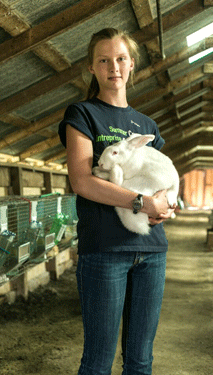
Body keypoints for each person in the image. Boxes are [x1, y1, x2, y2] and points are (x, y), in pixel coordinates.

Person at [58, 28, 175, 375]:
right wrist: (141, 202)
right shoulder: (82, 114)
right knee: (98, 361)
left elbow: (163, 177)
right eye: (104, 60)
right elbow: (82, 180)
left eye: (121, 58)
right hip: (105, 250)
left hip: (152, 251)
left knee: (141, 361)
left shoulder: (146, 125)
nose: (114, 67)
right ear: (92, 68)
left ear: (132, 64)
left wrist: (168, 203)